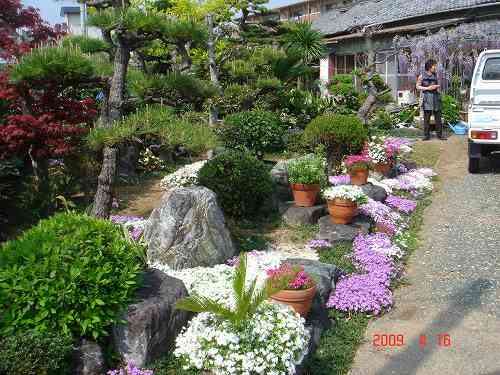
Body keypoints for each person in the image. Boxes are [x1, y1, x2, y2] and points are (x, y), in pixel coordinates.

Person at [416, 59, 446, 141]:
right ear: (429, 66)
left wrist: (437, 87)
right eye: (434, 65)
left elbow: (438, 84)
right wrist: (427, 88)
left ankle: (440, 135)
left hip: (436, 97)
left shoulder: (435, 75)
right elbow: (417, 87)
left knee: (438, 117)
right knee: (427, 118)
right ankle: (426, 135)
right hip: (427, 98)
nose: (435, 67)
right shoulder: (422, 76)